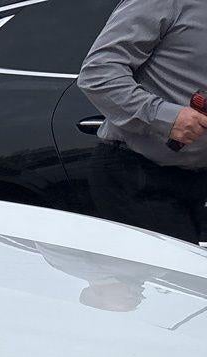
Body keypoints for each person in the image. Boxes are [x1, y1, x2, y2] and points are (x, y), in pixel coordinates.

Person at [79, 0, 207, 241]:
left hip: (197, 183)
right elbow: (97, 73)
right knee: (173, 275)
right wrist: (166, 117)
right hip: (139, 178)